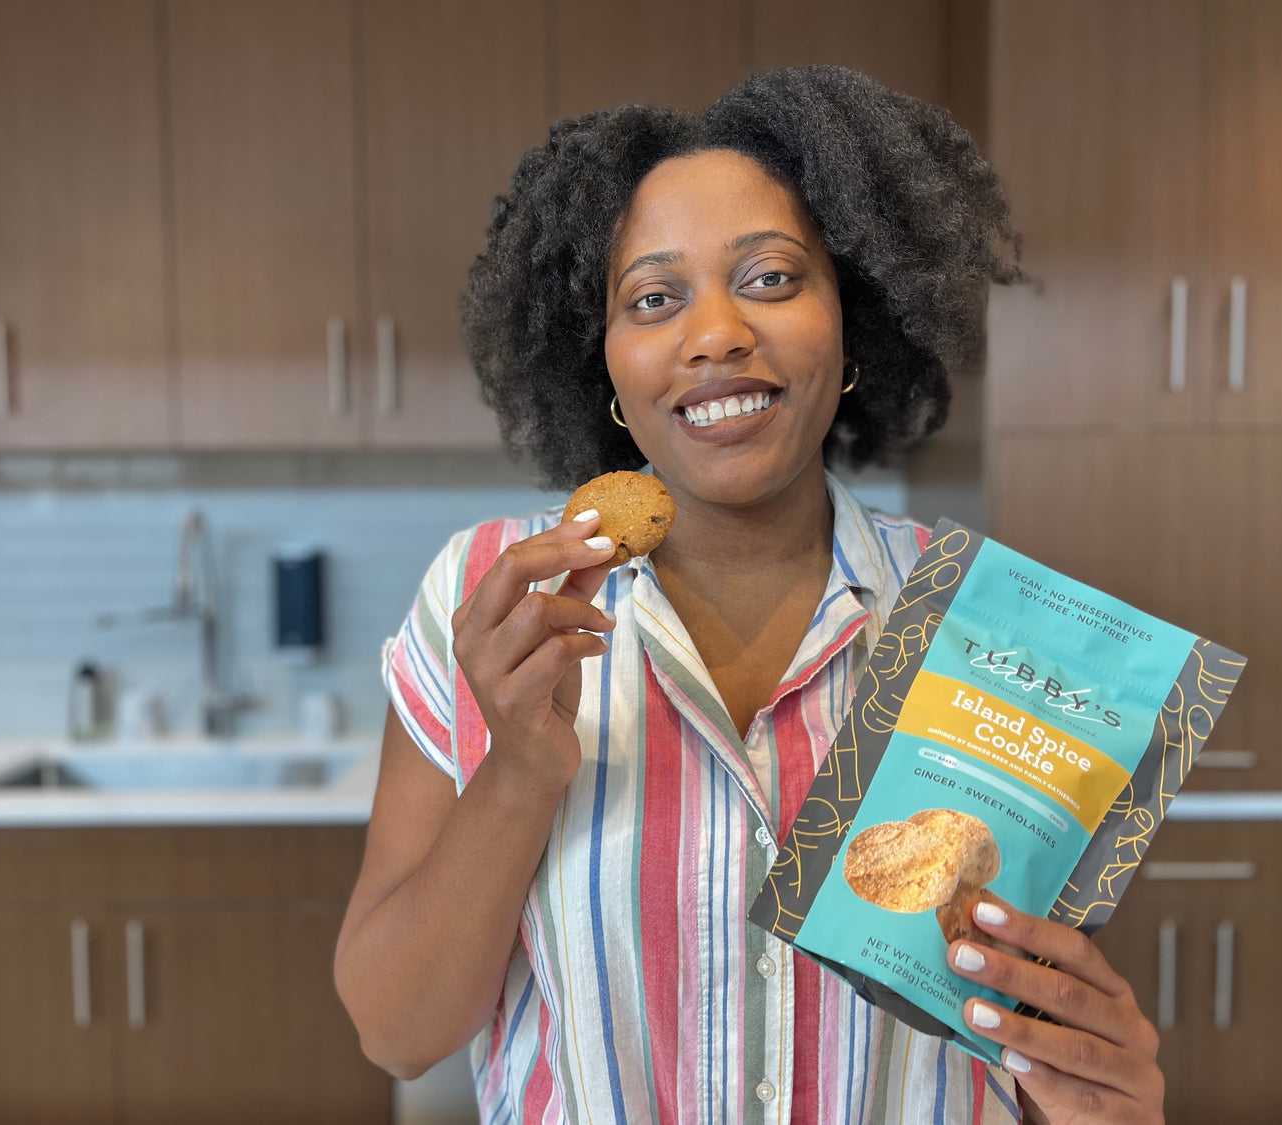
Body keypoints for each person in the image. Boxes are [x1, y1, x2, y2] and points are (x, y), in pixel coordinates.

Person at [335, 65, 1164, 1124]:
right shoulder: (489, 598)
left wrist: (1096, 1094)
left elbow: (1022, 1029)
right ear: (607, 369)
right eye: (653, 297)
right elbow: (397, 1035)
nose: (716, 332)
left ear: (854, 323)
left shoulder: (980, 629)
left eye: (771, 279)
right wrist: (518, 773)